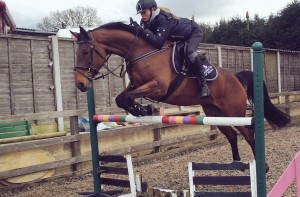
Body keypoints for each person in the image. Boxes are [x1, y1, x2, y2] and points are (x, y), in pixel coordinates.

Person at [132, 0, 210, 98]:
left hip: (193, 32)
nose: (142, 16)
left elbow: (158, 42)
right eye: (140, 13)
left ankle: (204, 85)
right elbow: (146, 39)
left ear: (153, 10)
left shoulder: (162, 19)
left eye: (144, 12)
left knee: (189, 52)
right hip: (177, 38)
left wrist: (142, 30)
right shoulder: (144, 21)